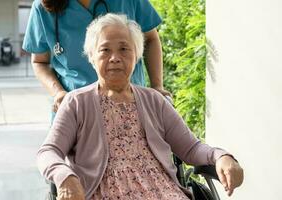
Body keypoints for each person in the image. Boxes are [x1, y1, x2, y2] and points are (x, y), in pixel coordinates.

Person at [37, 14, 244, 200]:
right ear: (92, 56)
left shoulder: (154, 101)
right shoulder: (76, 103)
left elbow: (191, 148)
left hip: (163, 192)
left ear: (136, 56)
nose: (115, 57)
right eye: (105, 50)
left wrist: (221, 156)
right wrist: (65, 176)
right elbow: (48, 152)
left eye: (124, 49)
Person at [22, 0, 170, 115]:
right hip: (77, 110)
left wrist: (157, 86)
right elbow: (39, 61)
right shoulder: (43, 7)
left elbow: (150, 39)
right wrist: (59, 92)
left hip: (129, 102)